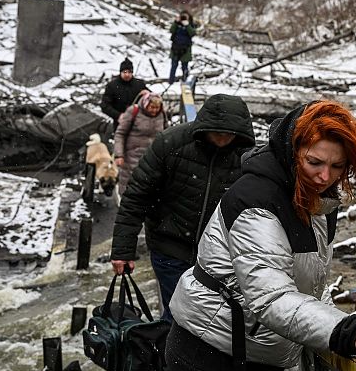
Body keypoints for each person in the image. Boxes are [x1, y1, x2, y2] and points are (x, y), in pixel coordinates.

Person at [167, 100, 356, 371]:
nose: (325, 176)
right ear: (292, 153)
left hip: (251, 348)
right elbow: (271, 297)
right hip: (214, 353)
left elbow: (310, 284)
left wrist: (332, 323)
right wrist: (342, 330)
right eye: (314, 162)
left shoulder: (318, 200)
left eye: (337, 166)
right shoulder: (257, 202)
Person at [110, 94, 256, 322]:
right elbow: (137, 195)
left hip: (216, 254)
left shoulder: (246, 158)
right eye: (217, 132)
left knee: (208, 319)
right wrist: (122, 250)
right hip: (170, 246)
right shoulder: (171, 144)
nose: (222, 138)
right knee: (180, 316)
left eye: (228, 134)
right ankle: (168, 352)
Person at [113, 92, 167, 196]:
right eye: (152, 107)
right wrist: (119, 155)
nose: (154, 110)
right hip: (132, 157)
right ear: (146, 104)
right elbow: (120, 134)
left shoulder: (162, 114)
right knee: (130, 186)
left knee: (150, 188)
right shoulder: (134, 111)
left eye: (157, 107)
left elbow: (166, 133)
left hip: (153, 158)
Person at [101, 58, 148, 140]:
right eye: (124, 72)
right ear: (120, 72)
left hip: (138, 122)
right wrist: (118, 116)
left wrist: (148, 94)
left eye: (129, 72)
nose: (127, 75)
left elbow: (152, 99)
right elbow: (104, 105)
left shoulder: (139, 84)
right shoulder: (112, 86)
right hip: (120, 123)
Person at [168, 11, 196, 85]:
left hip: (185, 49)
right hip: (175, 48)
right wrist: (176, 22)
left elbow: (192, 33)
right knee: (173, 66)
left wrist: (187, 25)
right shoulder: (177, 24)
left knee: (184, 67)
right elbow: (171, 30)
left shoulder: (190, 25)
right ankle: (171, 81)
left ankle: (185, 81)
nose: (183, 19)